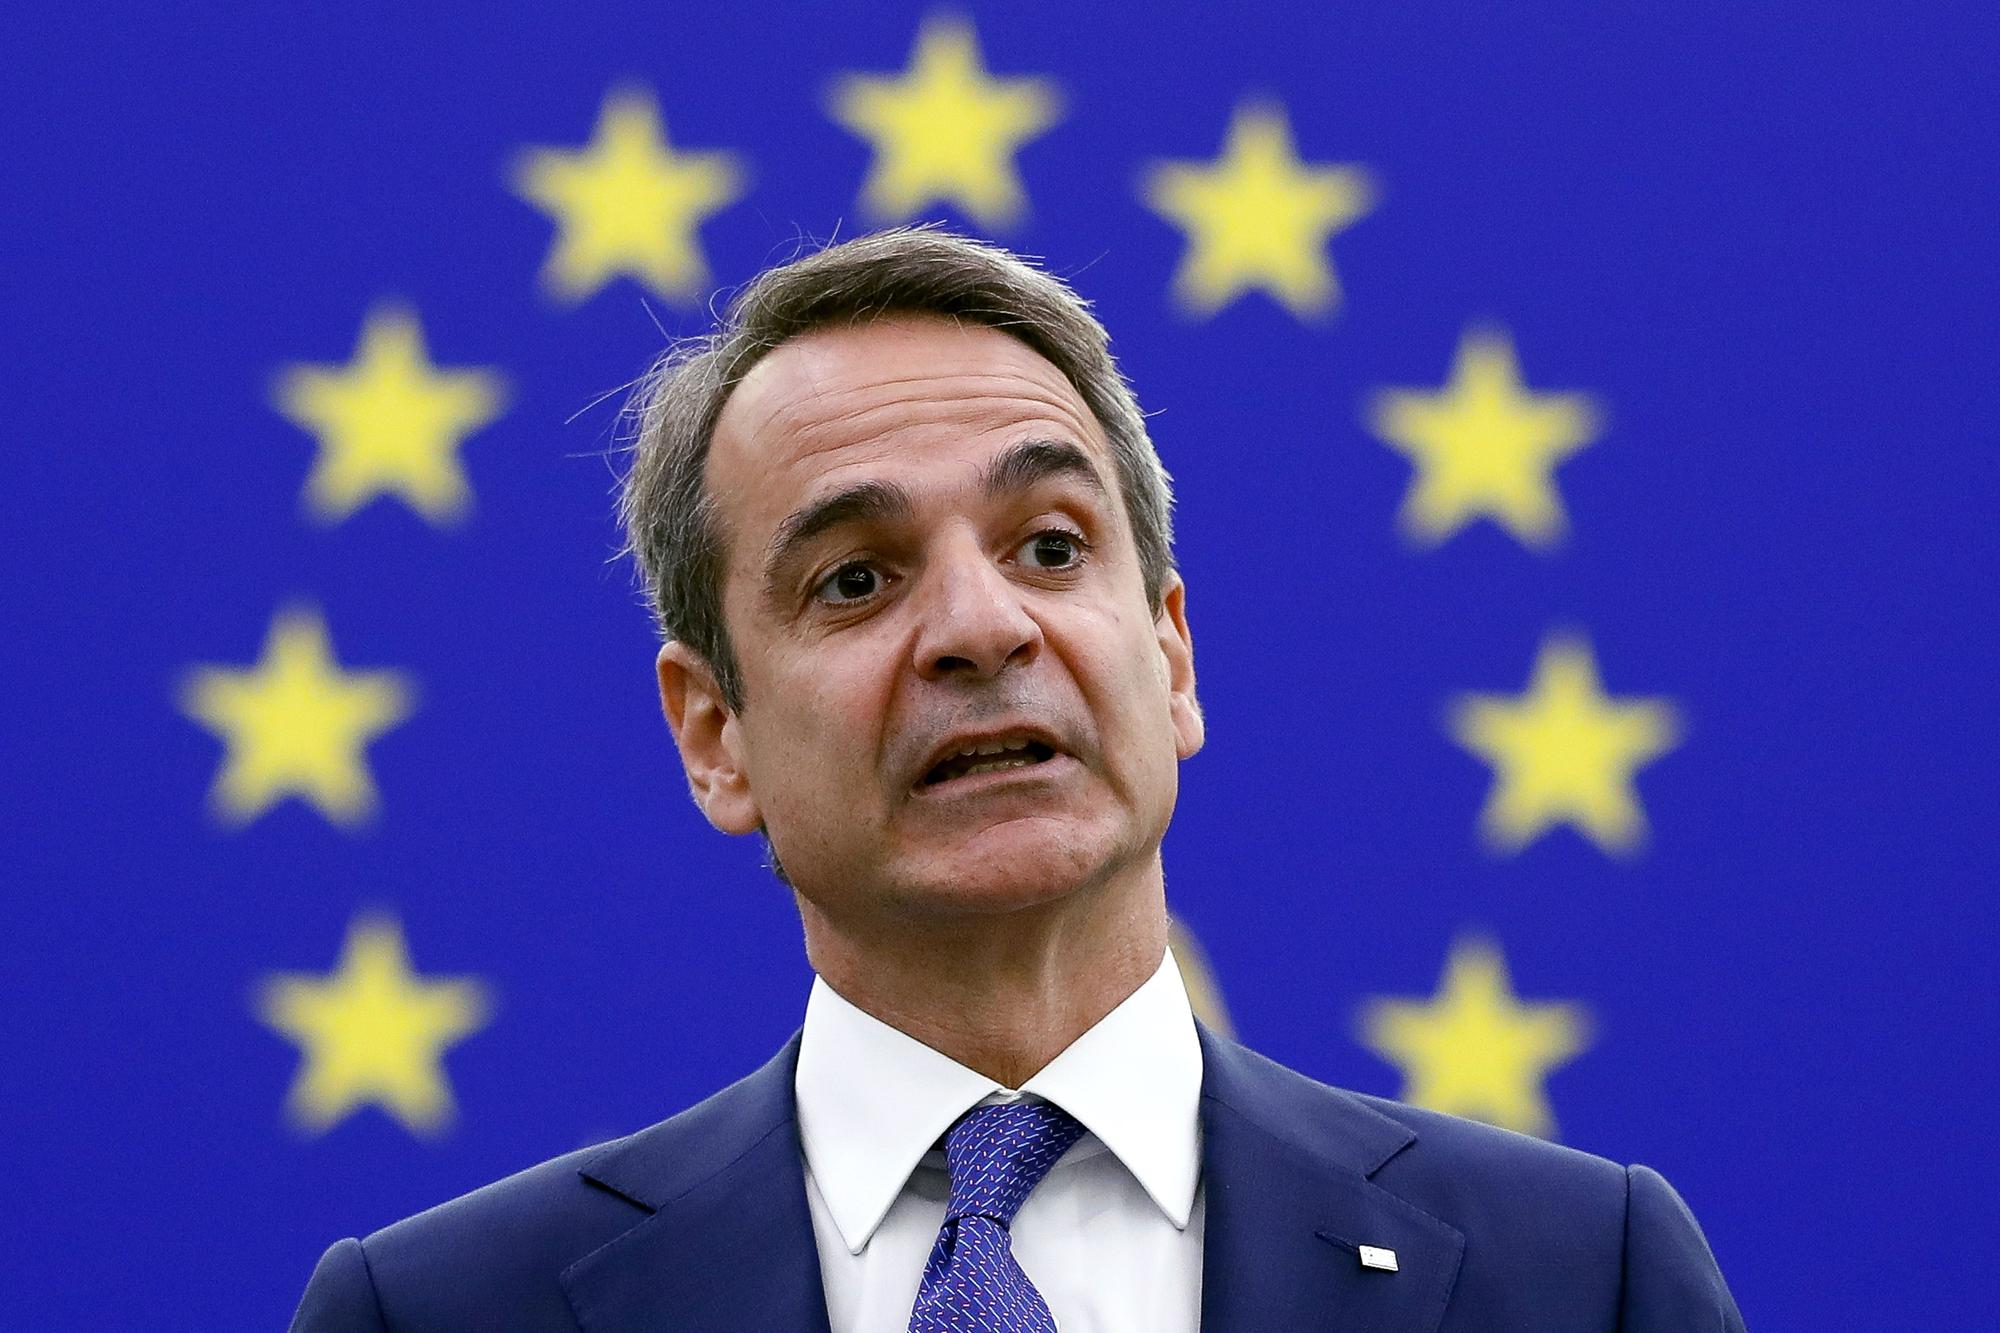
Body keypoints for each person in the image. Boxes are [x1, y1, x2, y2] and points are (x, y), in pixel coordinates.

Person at [290, 229, 1745, 1331]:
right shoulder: (436, 1312)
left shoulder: (1576, 1273)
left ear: (1170, 654)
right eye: (856, 578)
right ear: (713, 733)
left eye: (1051, 545)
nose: (985, 627)